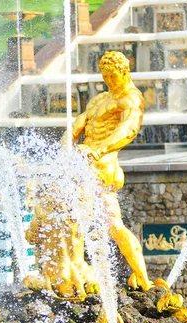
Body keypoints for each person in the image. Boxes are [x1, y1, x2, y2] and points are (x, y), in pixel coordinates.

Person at [64, 51, 154, 291]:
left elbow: (128, 130)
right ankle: (141, 278)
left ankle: (79, 269)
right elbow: (80, 123)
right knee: (109, 224)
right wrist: (68, 143)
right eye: (105, 76)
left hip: (102, 166)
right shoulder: (100, 99)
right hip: (84, 163)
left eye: (112, 76)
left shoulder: (131, 99)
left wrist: (99, 149)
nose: (109, 81)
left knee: (78, 216)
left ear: (124, 71)